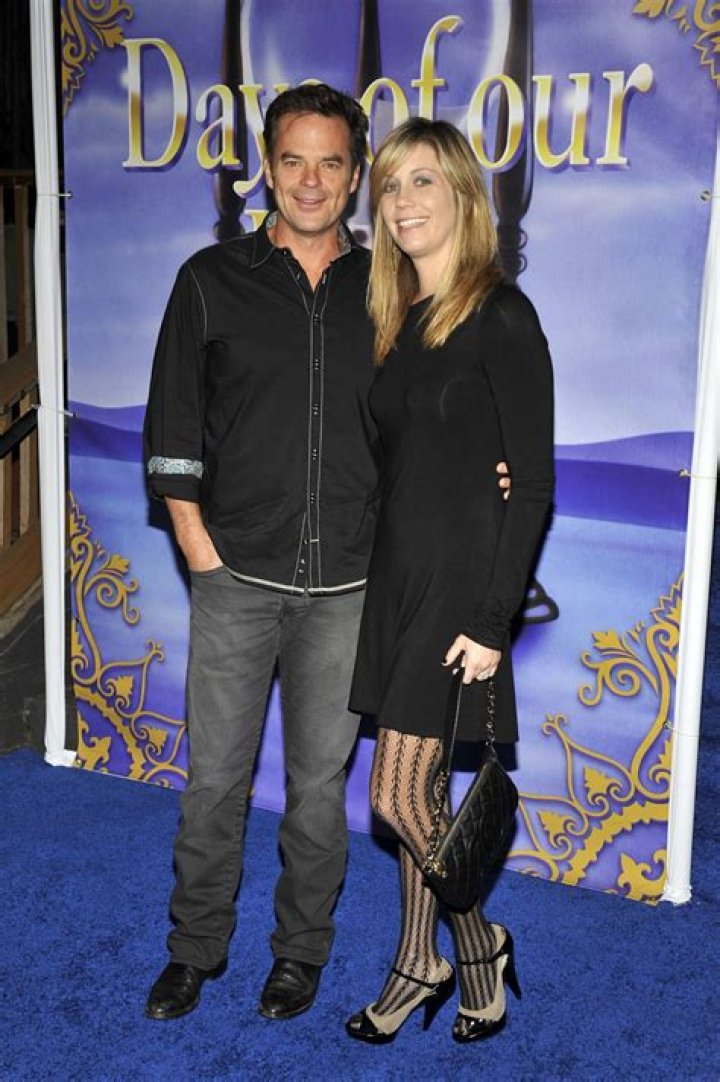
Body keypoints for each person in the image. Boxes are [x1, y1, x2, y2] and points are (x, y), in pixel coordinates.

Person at [143, 84, 510, 1024]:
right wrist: (199, 550)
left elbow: (440, 413)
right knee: (215, 782)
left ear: (354, 179)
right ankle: (194, 950)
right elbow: (173, 432)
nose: (311, 181)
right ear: (267, 169)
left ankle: (299, 955)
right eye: (293, 160)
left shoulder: (392, 289)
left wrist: (495, 467)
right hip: (234, 575)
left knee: (318, 790)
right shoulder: (208, 279)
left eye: (332, 163)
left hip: (351, 587)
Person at [346, 118, 554, 1045]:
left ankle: (461, 949)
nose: (403, 202)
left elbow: (532, 481)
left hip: (459, 587)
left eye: (423, 180)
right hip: (398, 578)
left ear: (465, 194)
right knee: (419, 793)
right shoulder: (397, 321)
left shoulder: (500, 314)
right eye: (390, 186)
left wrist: (493, 617)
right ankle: (445, 958)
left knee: (395, 797)